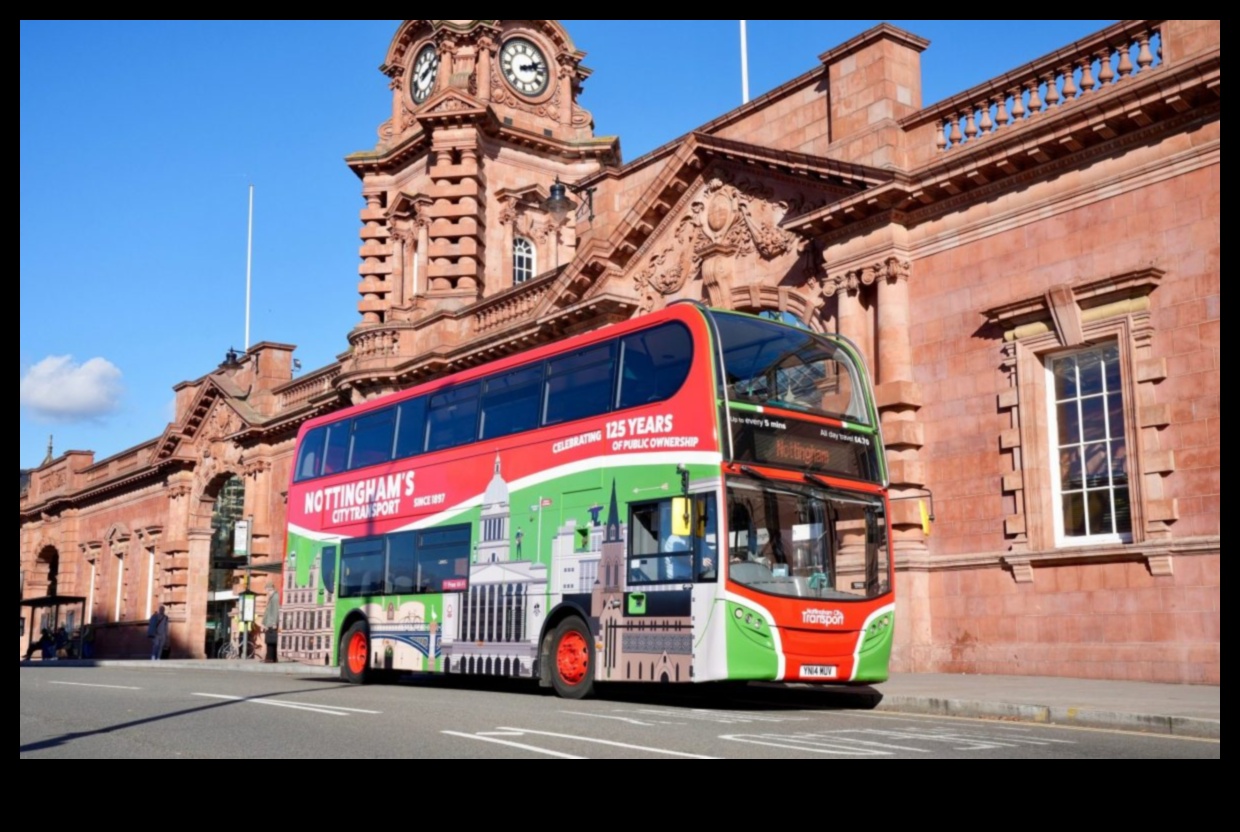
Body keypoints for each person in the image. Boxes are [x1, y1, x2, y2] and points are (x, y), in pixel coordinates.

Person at [261, 584, 280, 663]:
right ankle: (272, 658)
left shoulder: (275, 598)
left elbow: (276, 610)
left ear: (269, 589)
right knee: (271, 641)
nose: (266, 592)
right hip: (270, 622)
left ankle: (270, 658)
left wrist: (274, 623)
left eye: (266, 590)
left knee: (270, 641)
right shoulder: (273, 597)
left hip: (271, 622)